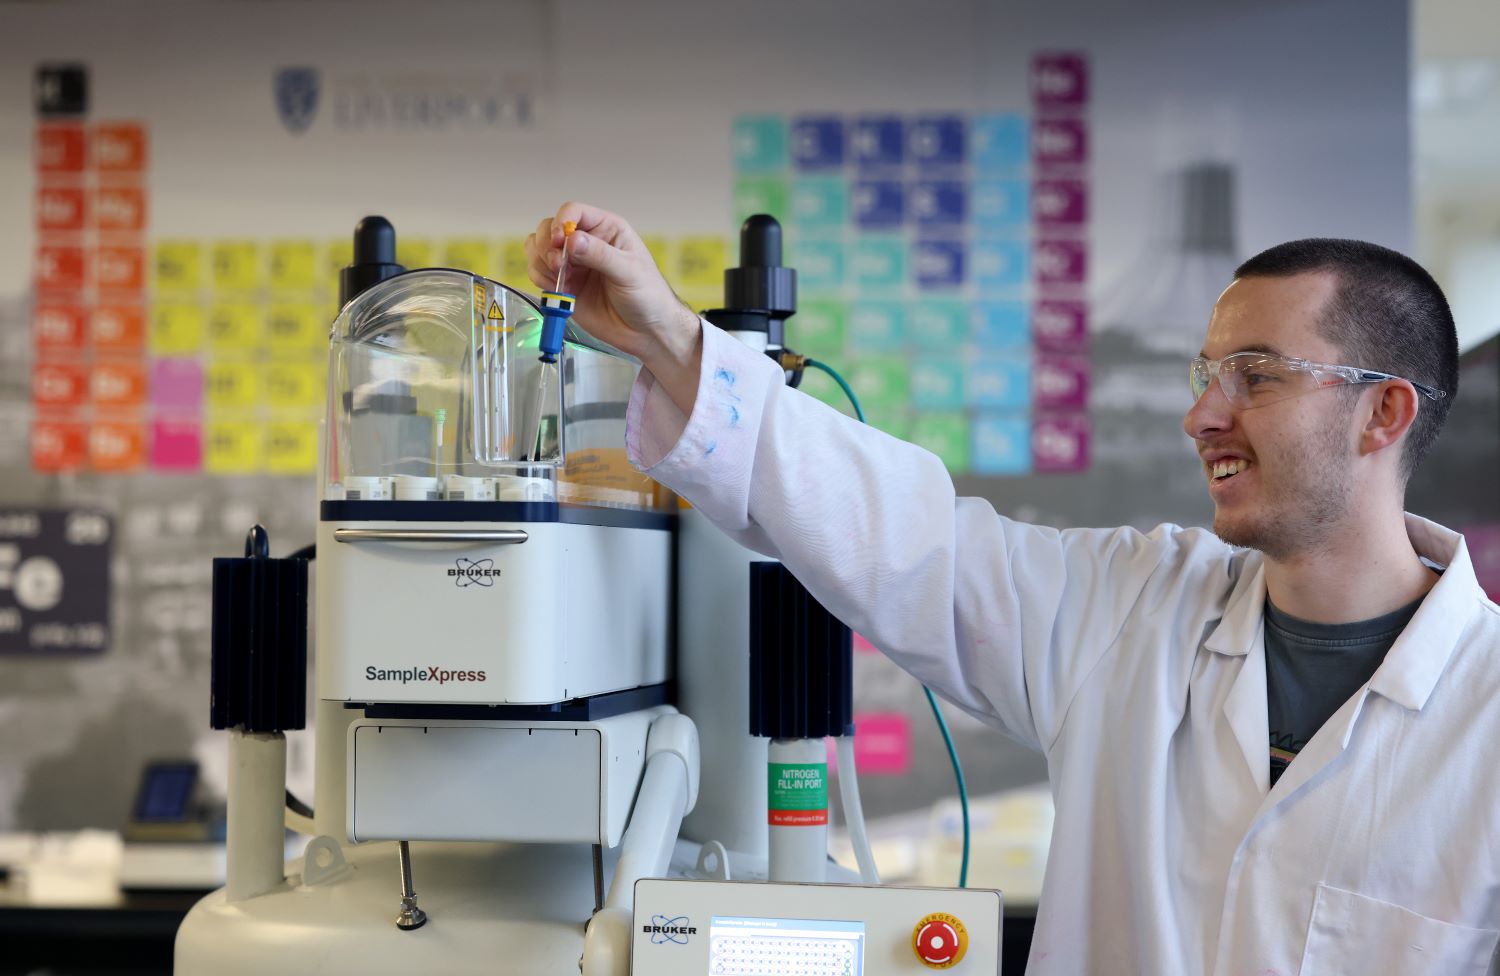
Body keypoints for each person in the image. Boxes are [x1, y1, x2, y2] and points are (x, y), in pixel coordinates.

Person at [526, 204, 1500, 974]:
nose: (1204, 413)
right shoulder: (1134, 609)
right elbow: (902, 534)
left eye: (1256, 375)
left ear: (1384, 413)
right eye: (1207, 373)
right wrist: (669, 335)